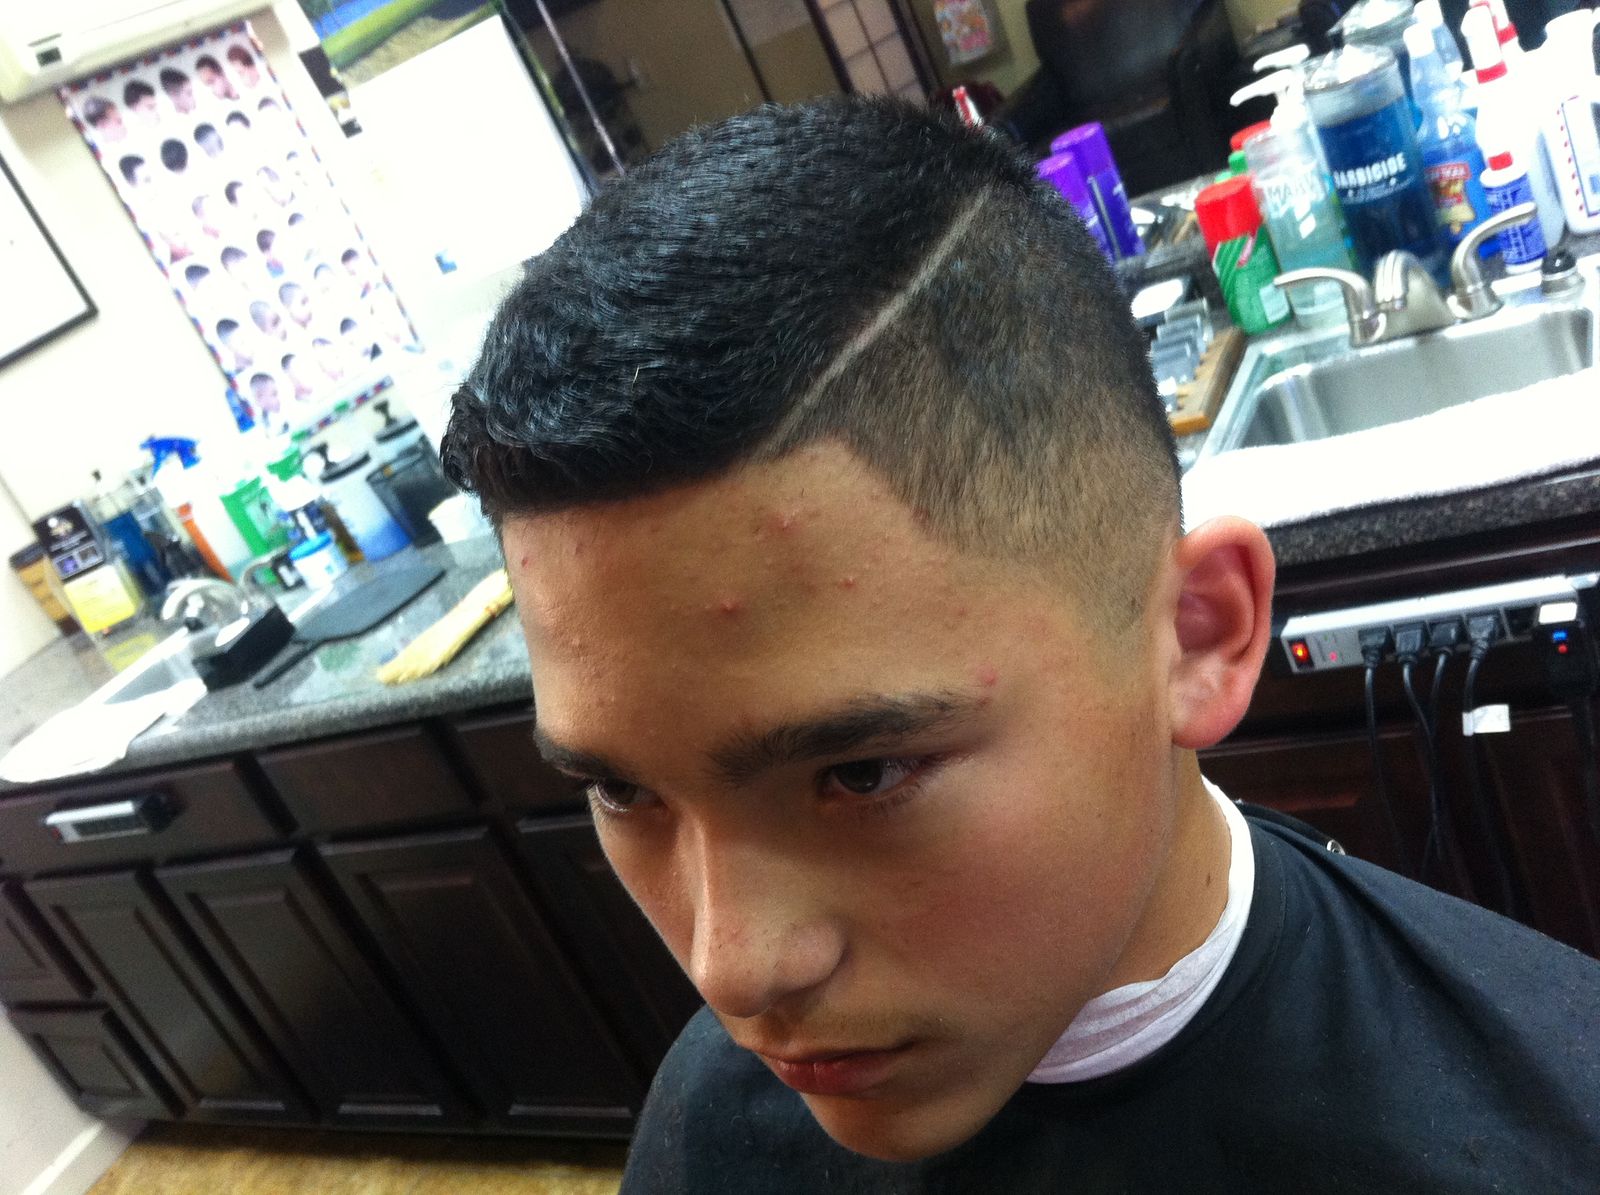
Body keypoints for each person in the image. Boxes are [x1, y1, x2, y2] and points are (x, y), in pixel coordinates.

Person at [441, 98, 1600, 1192]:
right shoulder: (705, 1134)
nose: (732, 968)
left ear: (1195, 635)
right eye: (623, 791)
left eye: (861, 773)